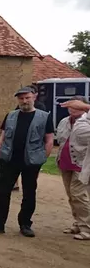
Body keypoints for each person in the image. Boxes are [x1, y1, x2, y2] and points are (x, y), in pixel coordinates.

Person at [0, 87, 54, 237]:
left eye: (27, 97)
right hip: (9, 160)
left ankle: (25, 224)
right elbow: (3, 136)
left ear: (34, 97)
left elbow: (49, 139)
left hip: (31, 161)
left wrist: (42, 158)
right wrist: (0, 154)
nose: (24, 101)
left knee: (29, 193)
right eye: (21, 98)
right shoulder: (11, 115)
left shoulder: (44, 117)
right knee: (3, 192)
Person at [55, 96, 90, 241]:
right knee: (71, 195)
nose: (72, 109)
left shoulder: (87, 122)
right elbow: (61, 141)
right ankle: (78, 223)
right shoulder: (64, 121)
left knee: (79, 195)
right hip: (65, 162)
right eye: (70, 106)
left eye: (76, 106)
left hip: (82, 164)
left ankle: (87, 228)